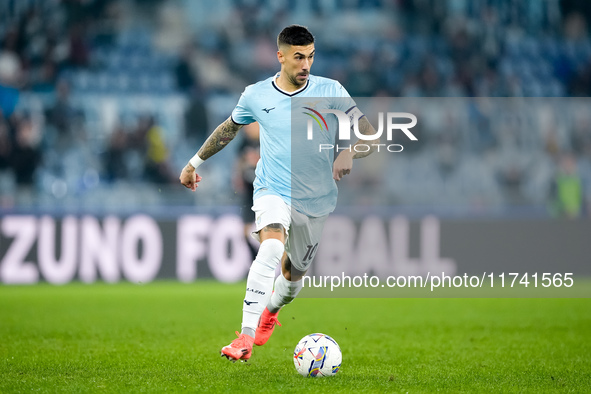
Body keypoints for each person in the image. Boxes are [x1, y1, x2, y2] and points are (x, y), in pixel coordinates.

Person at [179, 25, 378, 362]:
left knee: (292, 278)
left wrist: (349, 153)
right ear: (281, 56)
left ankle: (271, 309)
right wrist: (193, 163)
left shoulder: (331, 90)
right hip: (272, 188)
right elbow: (229, 128)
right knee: (270, 247)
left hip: (315, 198)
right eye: (299, 57)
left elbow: (370, 135)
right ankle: (244, 337)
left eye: (311, 57)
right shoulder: (256, 94)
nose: (306, 65)